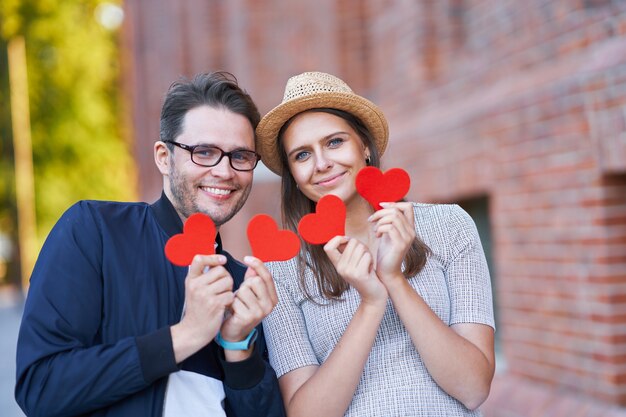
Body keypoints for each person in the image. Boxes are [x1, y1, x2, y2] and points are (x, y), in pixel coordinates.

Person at [15, 72, 286, 417]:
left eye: (241, 156)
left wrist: (237, 345)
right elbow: (41, 388)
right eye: (204, 152)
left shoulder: (246, 285)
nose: (225, 171)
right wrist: (186, 335)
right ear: (163, 156)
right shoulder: (95, 231)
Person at [255, 71, 496, 416]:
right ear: (293, 175)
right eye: (302, 155)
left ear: (364, 146)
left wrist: (394, 279)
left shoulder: (449, 226)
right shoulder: (282, 270)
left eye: (335, 142)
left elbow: (473, 388)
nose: (322, 164)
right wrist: (370, 302)